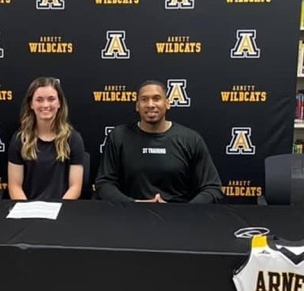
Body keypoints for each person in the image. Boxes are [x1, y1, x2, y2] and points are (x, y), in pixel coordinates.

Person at [95, 80, 223, 203]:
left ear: (167, 103)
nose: (150, 105)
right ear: (137, 106)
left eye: (156, 98)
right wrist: (134, 203)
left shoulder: (190, 139)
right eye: (144, 99)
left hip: (178, 219)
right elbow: (104, 184)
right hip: (130, 215)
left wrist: (184, 211)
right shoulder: (119, 136)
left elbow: (212, 188)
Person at [7, 77, 85, 200]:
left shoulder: (74, 139)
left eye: (51, 99)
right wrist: (27, 211)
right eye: (39, 100)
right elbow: (14, 186)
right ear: (31, 104)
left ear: (59, 103)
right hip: (27, 210)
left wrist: (58, 209)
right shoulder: (19, 139)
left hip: (61, 210)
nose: (45, 105)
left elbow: (75, 187)